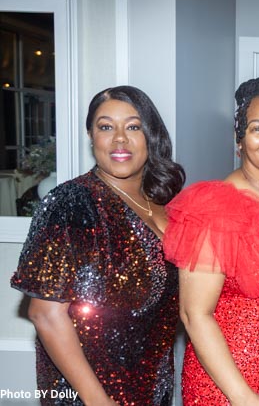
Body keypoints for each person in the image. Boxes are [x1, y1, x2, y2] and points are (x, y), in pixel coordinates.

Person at [11, 85, 186, 405]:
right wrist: (97, 400)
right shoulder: (72, 202)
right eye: (106, 127)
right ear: (91, 136)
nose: (119, 139)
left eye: (133, 127)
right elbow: (46, 314)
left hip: (153, 384)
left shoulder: (165, 203)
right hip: (89, 392)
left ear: (151, 135)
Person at [163, 78, 259, 405]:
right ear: (240, 140)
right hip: (229, 384)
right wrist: (242, 396)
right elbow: (194, 314)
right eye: (258, 129)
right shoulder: (215, 208)